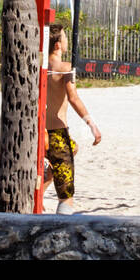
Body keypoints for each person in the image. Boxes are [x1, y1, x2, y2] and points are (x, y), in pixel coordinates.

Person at [44, 25, 101, 214]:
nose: (68, 41)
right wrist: (91, 123)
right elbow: (73, 98)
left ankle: (44, 180)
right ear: (59, 45)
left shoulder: (38, 66)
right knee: (66, 197)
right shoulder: (66, 68)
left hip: (37, 132)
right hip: (56, 133)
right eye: (66, 38)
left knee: (73, 147)